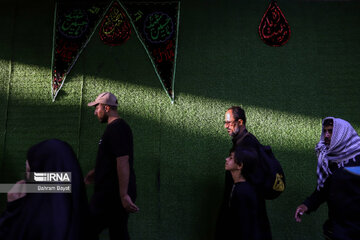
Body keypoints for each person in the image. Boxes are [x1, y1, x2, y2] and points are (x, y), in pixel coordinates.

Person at [0, 139, 90, 240]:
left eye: (31, 172)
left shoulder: (34, 219)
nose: (28, 179)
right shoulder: (84, 217)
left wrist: (13, 209)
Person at [295, 117, 360, 239]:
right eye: (325, 131)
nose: (326, 135)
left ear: (342, 134)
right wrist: (307, 205)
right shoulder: (331, 159)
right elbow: (326, 187)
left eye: (330, 131)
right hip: (336, 229)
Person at [85, 92, 139, 240]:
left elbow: (122, 161)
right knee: (118, 232)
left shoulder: (117, 128)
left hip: (111, 195)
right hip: (111, 193)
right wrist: (97, 172)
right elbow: (113, 160)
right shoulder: (114, 128)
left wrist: (123, 195)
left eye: (97, 108)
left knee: (87, 230)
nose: (96, 112)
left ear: (107, 108)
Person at [216, 106, 272, 239]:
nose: (226, 126)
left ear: (240, 122)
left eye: (229, 122)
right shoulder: (241, 142)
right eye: (225, 122)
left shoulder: (248, 144)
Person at [223, 147, 272, 240]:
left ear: (240, 165)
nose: (226, 159)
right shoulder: (244, 187)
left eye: (231, 158)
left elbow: (244, 225)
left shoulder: (242, 192)